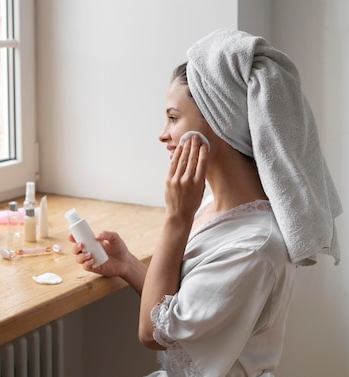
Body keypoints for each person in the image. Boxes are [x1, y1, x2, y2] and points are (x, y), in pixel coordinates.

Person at [70, 29, 342, 377]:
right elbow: (181, 312)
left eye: (173, 117)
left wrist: (176, 219)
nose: (163, 134)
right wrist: (127, 266)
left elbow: (153, 334)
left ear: (219, 122)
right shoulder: (217, 207)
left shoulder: (254, 246)